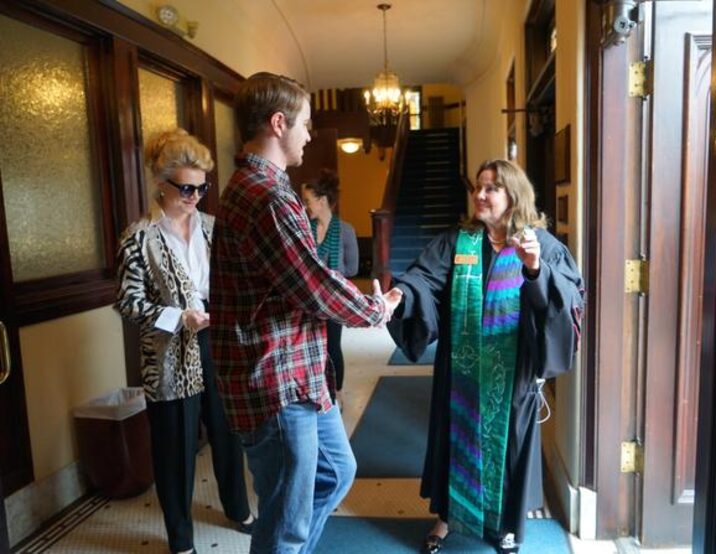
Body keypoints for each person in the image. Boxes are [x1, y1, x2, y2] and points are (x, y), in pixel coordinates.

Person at [209, 72, 401, 554]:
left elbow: (307, 276)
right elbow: (312, 285)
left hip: (301, 374)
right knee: (287, 520)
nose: (310, 134)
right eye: (307, 124)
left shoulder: (268, 189)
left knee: (337, 473)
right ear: (279, 123)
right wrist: (373, 310)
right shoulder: (266, 196)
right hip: (275, 381)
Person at [386, 159, 584, 554]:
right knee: (454, 437)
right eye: (478, 186)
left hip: (512, 374)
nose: (480, 194)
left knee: (509, 445)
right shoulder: (459, 242)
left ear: (514, 195)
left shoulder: (540, 245)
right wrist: (402, 295)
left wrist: (534, 270)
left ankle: (507, 525)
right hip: (460, 367)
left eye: (492, 187)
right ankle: (447, 517)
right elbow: (424, 278)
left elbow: (568, 301)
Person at [115, 129, 254, 554]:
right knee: (175, 449)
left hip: (219, 342)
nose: (195, 196)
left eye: (201, 187)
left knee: (229, 432)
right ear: (161, 182)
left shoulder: (215, 227)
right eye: (186, 188)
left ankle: (238, 509)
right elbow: (128, 302)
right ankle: (180, 539)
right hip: (168, 357)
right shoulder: (138, 237)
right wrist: (179, 318)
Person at [301, 169, 360, 404]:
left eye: (307, 200)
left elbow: (353, 268)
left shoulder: (346, 230)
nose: (305, 206)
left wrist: (329, 277)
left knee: (332, 346)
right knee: (309, 346)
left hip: (334, 300)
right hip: (308, 300)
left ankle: (337, 394)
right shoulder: (304, 228)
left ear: (322, 200)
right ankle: (314, 392)